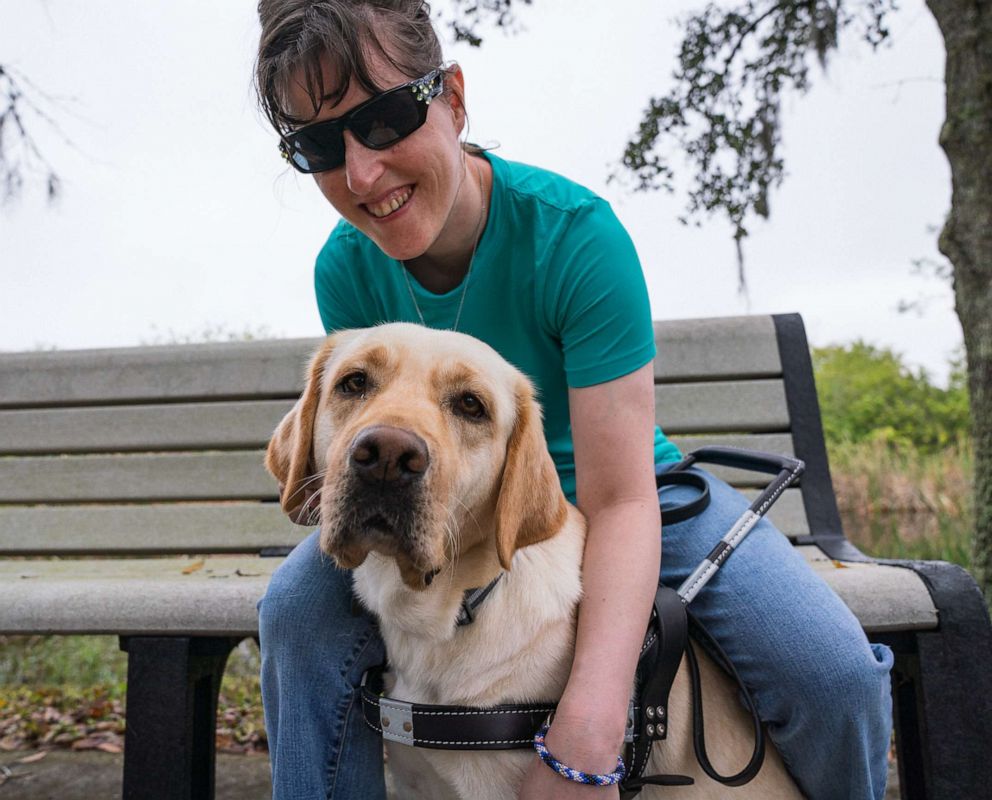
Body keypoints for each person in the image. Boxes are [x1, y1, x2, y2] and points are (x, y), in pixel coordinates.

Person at [253, 2, 894, 798]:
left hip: (631, 493)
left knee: (833, 675)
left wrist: (587, 733)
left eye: (384, 120)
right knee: (294, 616)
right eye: (318, 145)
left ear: (452, 96)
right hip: (459, 506)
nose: (362, 174)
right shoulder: (345, 266)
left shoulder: (576, 237)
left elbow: (621, 501)